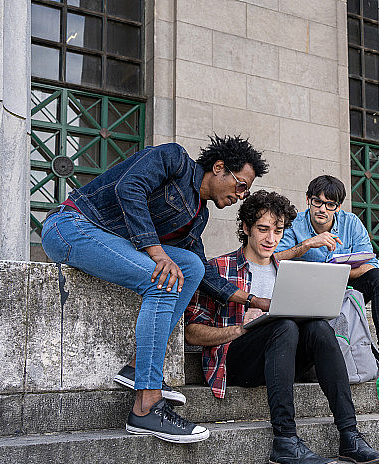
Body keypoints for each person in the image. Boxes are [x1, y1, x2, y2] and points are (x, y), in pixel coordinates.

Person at [40, 135, 268, 443]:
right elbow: (129, 188)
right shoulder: (174, 159)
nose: (242, 195)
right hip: (74, 226)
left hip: (115, 243)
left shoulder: (198, 215)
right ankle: (146, 405)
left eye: (247, 190)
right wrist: (158, 254)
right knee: (163, 281)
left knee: (191, 266)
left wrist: (257, 301)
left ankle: (137, 369)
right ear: (218, 168)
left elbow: (204, 274)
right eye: (241, 184)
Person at [184, 190, 379, 464]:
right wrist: (241, 328)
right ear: (245, 228)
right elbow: (191, 333)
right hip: (237, 358)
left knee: (317, 327)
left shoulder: (289, 269)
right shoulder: (218, 268)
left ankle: (349, 435)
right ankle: (286, 441)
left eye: (278, 231)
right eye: (263, 230)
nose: (271, 239)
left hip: (284, 356)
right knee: (282, 325)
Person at [274, 175, 379, 382]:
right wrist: (307, 245)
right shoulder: (294, 223)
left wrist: (334, 271)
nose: (322, 209)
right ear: (308, 199)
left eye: (330, 204)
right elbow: (273, 260)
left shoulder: (351, 223)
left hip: (344, 288)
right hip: (307, 294)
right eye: (317, 201)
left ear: (338, 207)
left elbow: (371, 264)